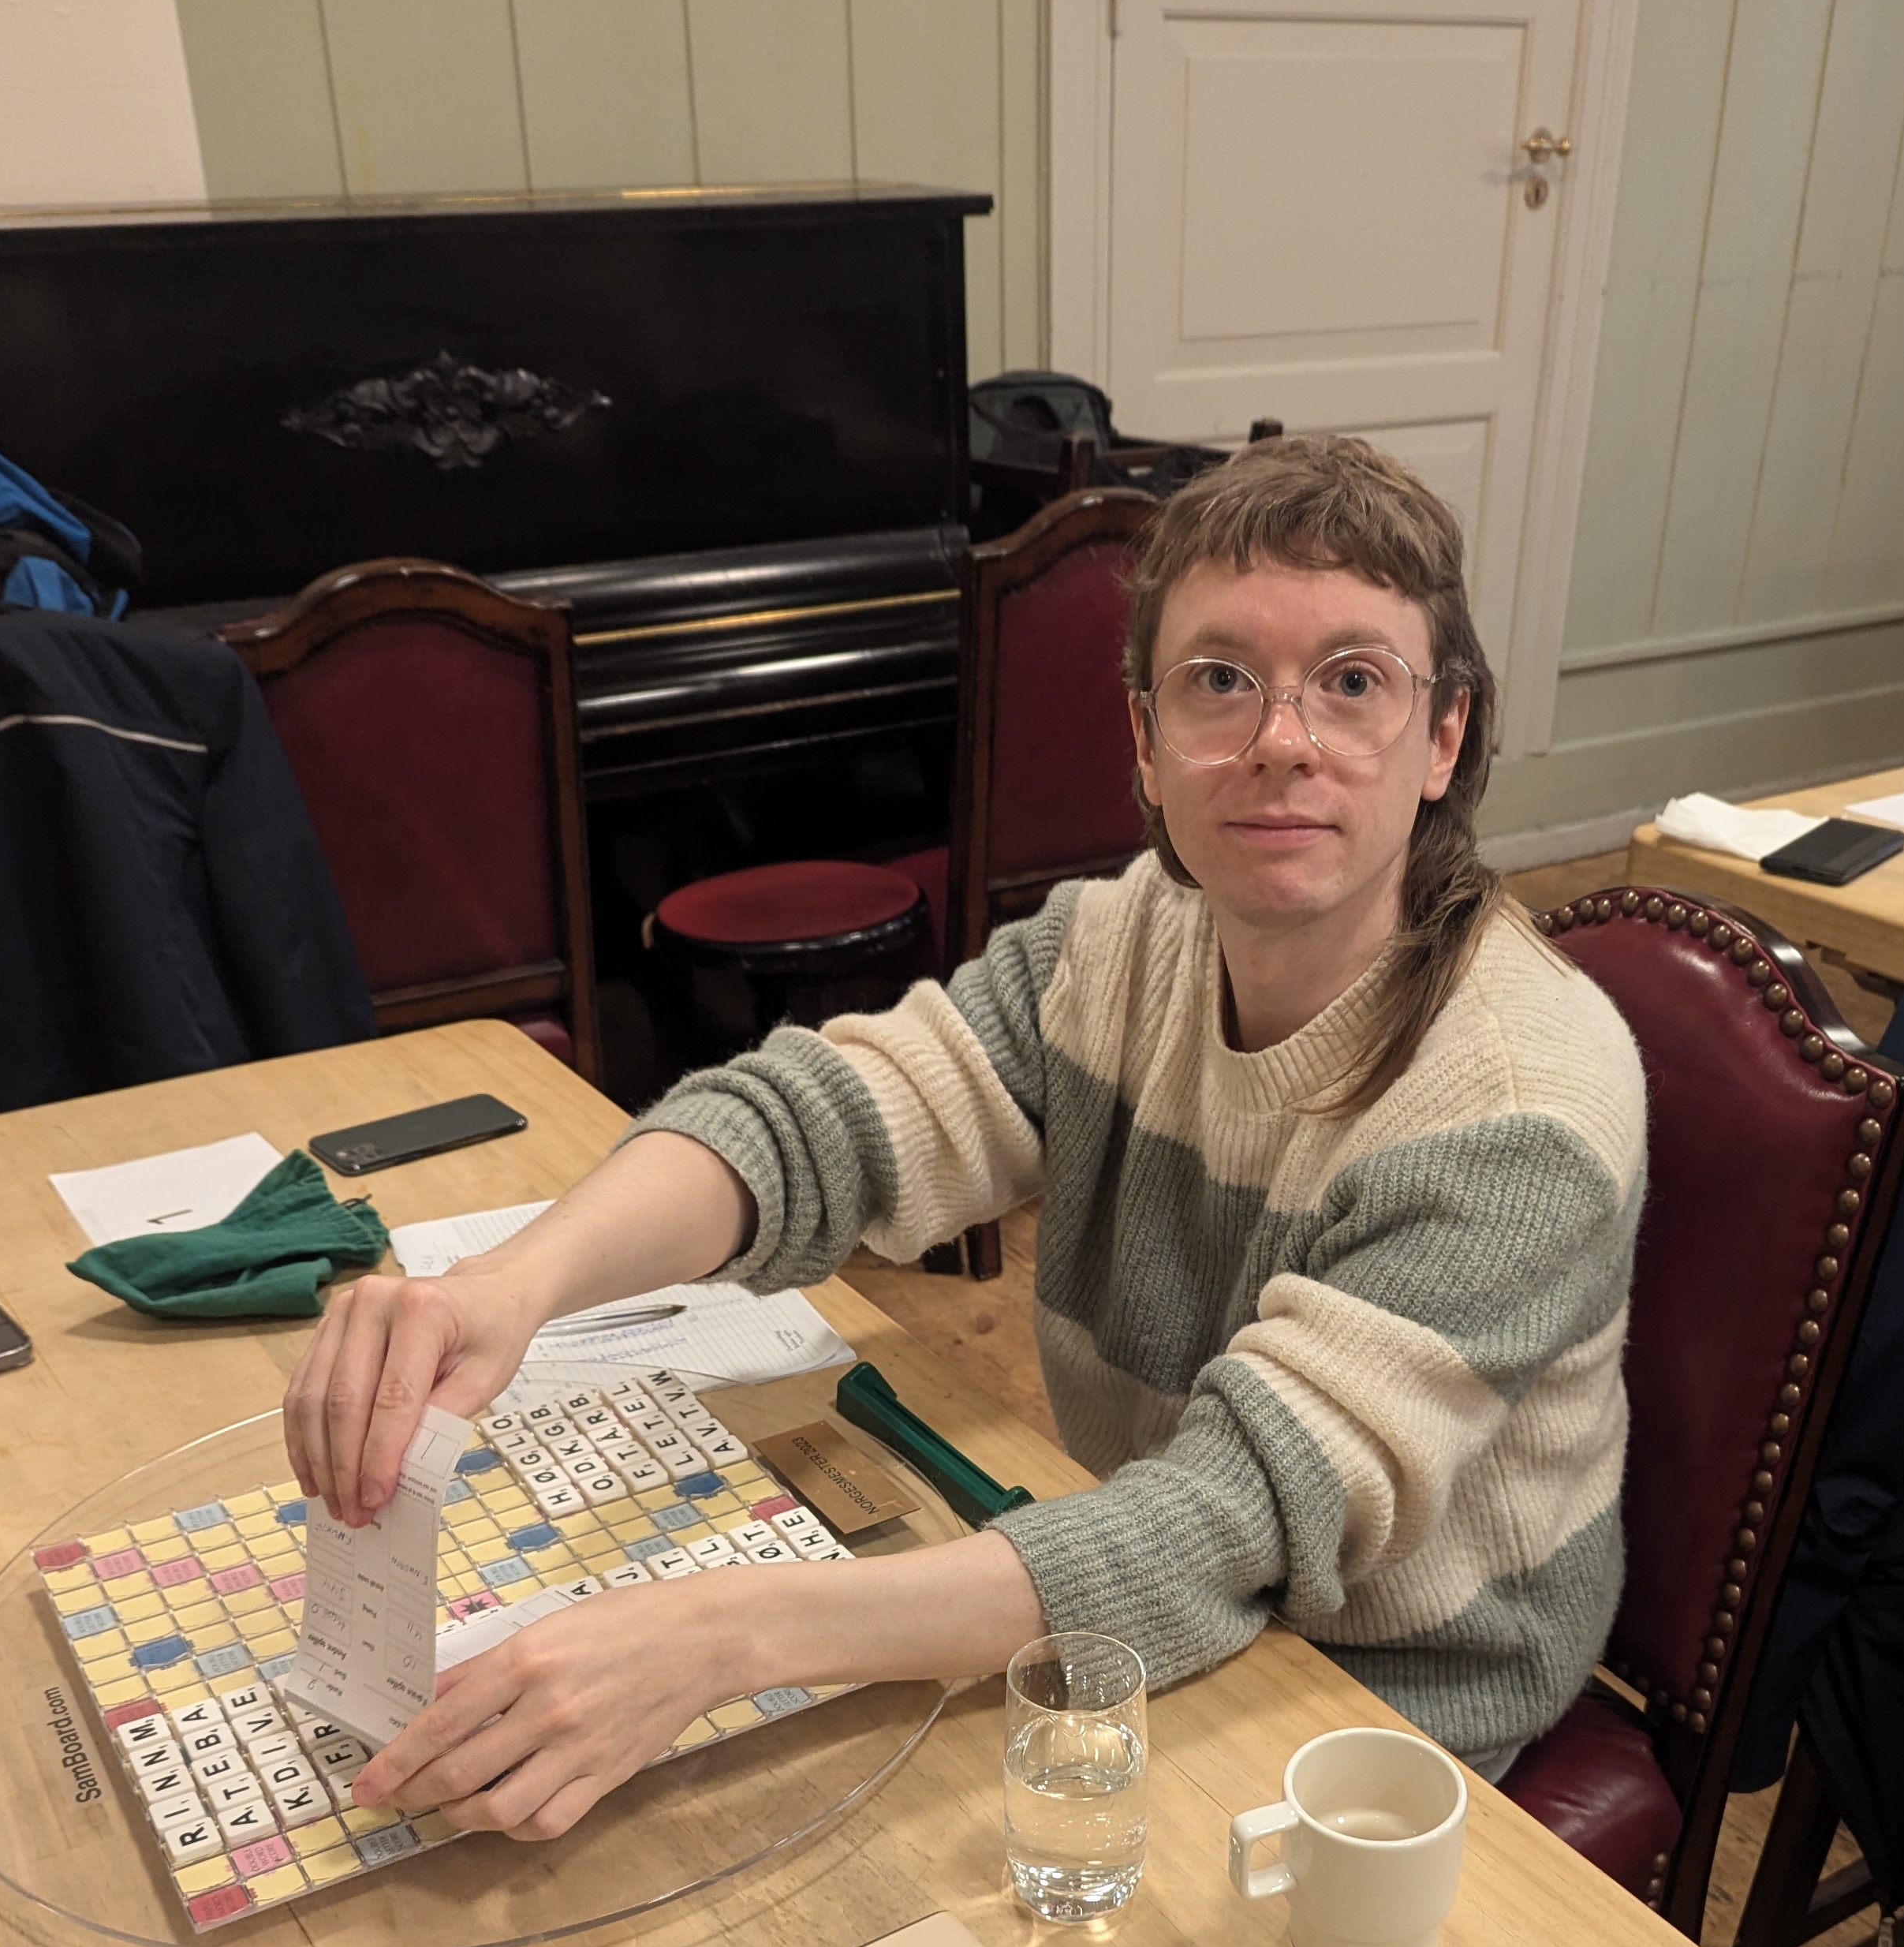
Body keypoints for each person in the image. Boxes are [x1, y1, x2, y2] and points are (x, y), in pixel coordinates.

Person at [284, 433, 1646, 1843]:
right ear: (1145, 742)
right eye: (1219, 681)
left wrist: (721, 1635)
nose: (1281, 742)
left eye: (1353, 682)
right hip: (1152, 1585)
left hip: (1385, 1704)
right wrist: (508, 1286)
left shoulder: (1519, 1101)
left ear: (1444, 737)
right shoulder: (1123, 940)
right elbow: (819, 1123)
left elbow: (1230, 1522)